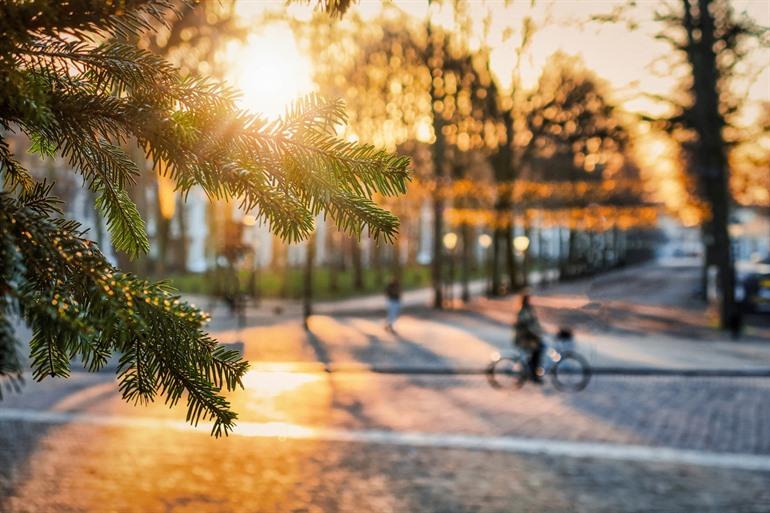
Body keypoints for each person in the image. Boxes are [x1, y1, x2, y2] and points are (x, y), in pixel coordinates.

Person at [513, 293, 544, 383]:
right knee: (536, 352)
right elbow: (527, 324)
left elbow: (534, 323)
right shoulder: (523, 310)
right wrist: (535, 333)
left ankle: (532, 373)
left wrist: (540, 330)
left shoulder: (527, 309)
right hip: (526, 338)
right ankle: (533, 375)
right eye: (528, 299)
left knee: (536, 353)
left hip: (529, 337)